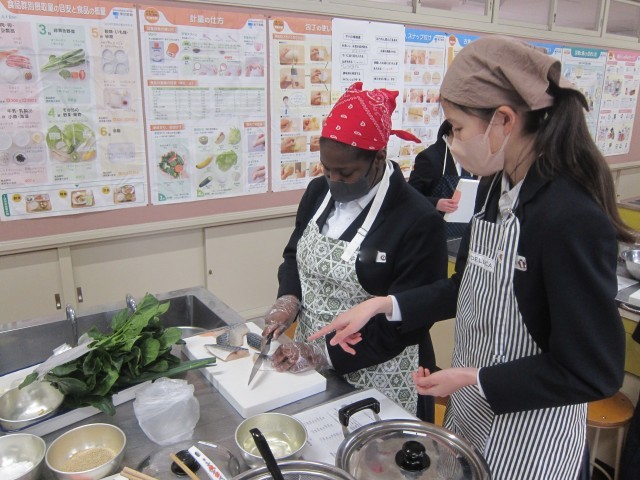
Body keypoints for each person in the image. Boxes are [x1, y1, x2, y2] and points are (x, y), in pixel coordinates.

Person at [309, 36, 634, 479]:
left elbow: (593, 371)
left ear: (504, 120)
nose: (451, 142)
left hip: (533, 443)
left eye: (458, 128)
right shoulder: (495, 188)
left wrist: (475, 378)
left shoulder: (568, 216)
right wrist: (384, 304)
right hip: (471, 419)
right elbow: (466, 288)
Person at [264, 81, 448, 420]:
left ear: (379, 158)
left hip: (381, 371)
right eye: (327, 169)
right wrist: (287, 299)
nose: (333, 180)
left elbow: (409, 321)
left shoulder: (417, 219)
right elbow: (294, 256)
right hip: (308, 360)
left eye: (346, 173)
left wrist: (324, 354)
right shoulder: (318, 193)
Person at [408, 120, 476, 239]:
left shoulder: (470, 157)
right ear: (454, 130)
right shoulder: (430, 157)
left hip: (462, 234)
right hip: (431, 233)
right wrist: (436, 203)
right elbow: (409, 197)